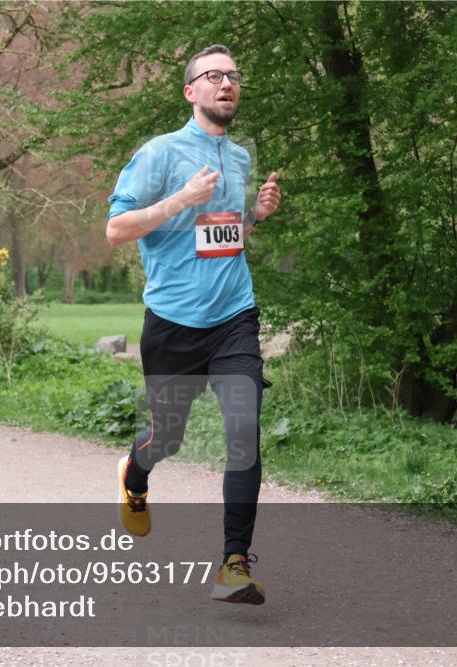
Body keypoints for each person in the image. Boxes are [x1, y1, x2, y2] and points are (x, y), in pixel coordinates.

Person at [105, 44, 282, 605]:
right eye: (213, 76)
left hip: (234, 317)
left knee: (244, 433)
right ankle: (135, 473)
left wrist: (255, 217)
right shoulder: (159, 153)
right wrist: (180, 199)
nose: (226, 83)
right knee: (168, 439)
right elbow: (116, 229)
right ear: (190, 91)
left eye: (233, 75)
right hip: (173, 324)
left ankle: (234, 564)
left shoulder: (239, 157)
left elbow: (221, 236)